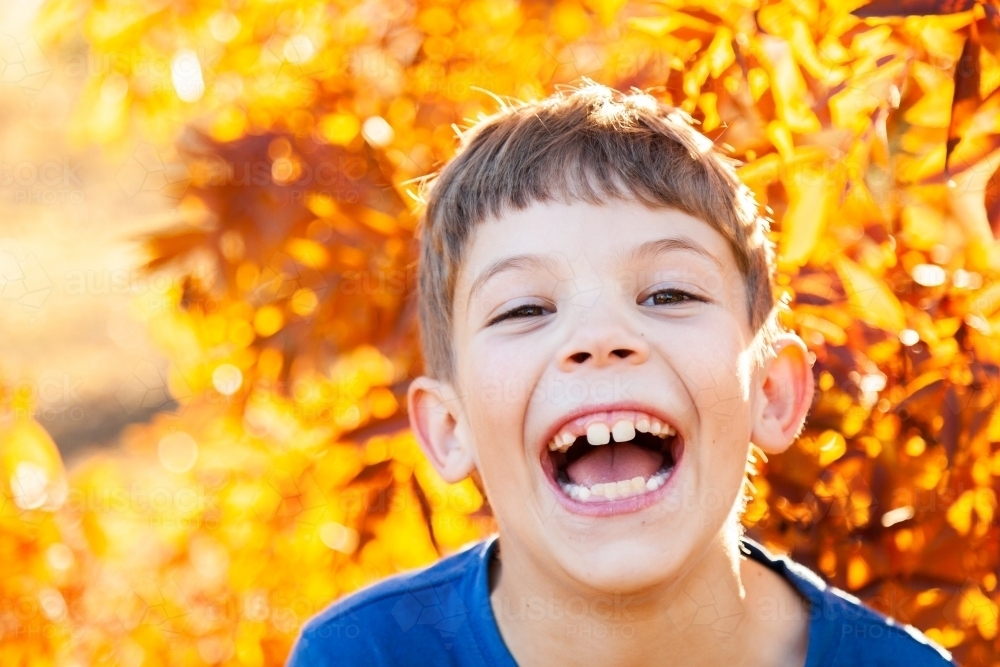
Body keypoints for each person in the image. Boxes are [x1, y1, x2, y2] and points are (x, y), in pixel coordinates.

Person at [287, 83, 954, 666]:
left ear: (772, 392)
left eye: (668, 294)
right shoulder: (362, 655)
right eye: (524, 307)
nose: (599, 339)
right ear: (450, 427)